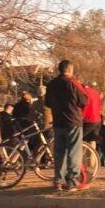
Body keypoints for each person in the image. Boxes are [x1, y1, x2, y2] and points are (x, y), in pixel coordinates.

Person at [45, 60, 88, 191]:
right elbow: (84, 100)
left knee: (59, 153)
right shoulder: (73, 83)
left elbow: (47, 102)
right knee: (74, 152)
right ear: (70, 70)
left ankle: (58, 180)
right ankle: (72, 181)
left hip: (58, 122)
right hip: (73, 121)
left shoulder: (52, 84)